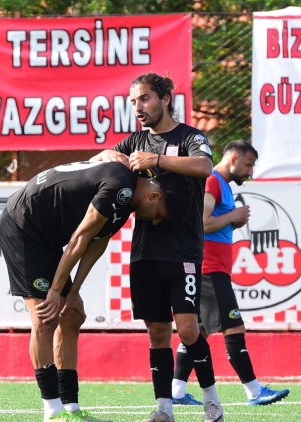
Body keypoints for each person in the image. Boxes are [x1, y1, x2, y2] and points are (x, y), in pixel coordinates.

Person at [0, 161, 191, 422]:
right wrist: (55, 291)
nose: (155, 220)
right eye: (160, 214)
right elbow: (79, 238)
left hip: (47, 237)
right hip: (22, 226)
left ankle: (71, 409)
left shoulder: (127, 200)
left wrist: (73, 292)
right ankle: (52, 412)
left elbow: (97, 242)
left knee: (71, 316)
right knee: (45, 318)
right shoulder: (120, 187)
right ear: (154, 196)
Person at [90, 73, 224, 422]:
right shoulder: (135, 140)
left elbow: (205, 166)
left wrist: (157, 160)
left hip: (183, 251)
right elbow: (101, 160)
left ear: (165, 99)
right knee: (158, 332)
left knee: (189, 329)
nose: (138, 107)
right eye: (134, 101)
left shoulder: (190, 137)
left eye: (145, 99)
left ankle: (212, 403)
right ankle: (164, 410)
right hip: (145, 251)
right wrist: (107, 154)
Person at [171, 140, 290, 406]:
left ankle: (176, 391)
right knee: (234, 327)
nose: (250, 172)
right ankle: (254, 391)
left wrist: (233, 223)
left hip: (212, 270)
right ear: (233, 159)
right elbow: (202, 222)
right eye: (248, 165)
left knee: (197, 333)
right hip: (210, 271)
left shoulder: (222, 185)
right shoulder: (212, 180)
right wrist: (234, 215)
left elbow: (214, 225)